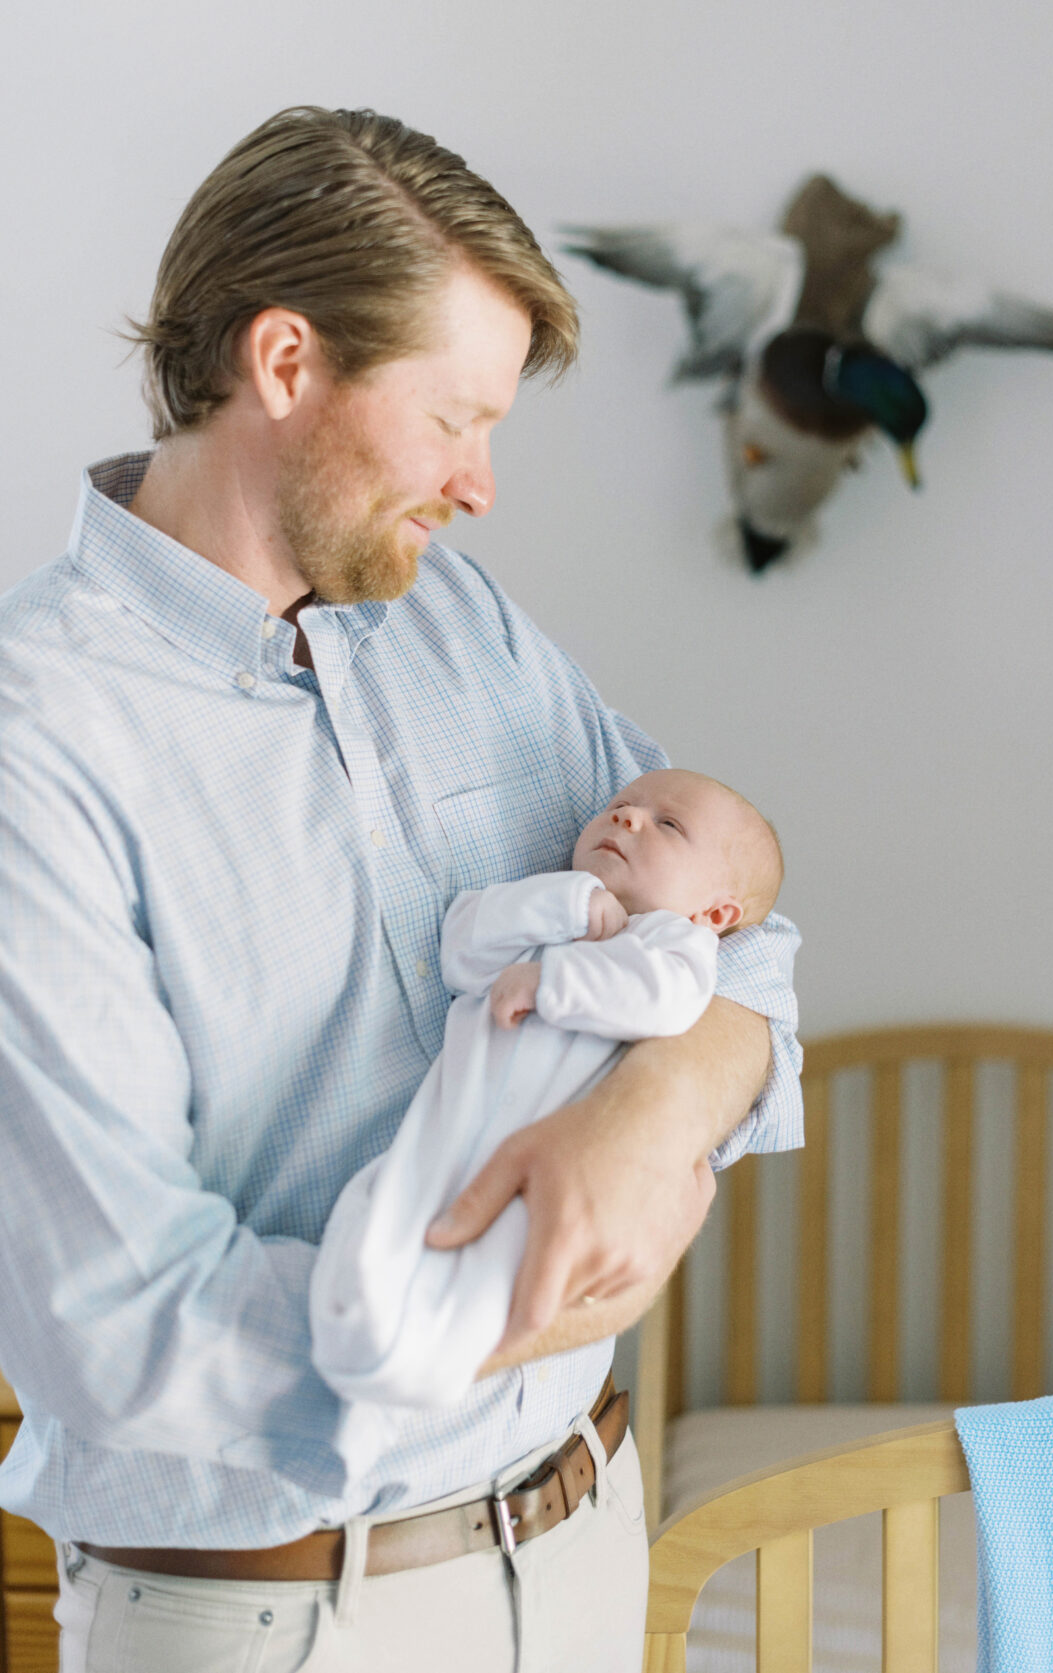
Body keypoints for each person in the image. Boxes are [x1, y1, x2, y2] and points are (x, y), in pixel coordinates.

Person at [0, 106, 802, 1672]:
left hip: (583, 1540)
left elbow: (733, 921)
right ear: (286, 363)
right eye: (455, 421)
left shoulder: (458, 625)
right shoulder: (41, 745)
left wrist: (663, 1104)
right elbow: (116, 1321)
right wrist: (512, 1314)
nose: (480, 485)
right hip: (280, 1616)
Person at [311, 769, 784, 1429]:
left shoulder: (674, 945)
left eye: (667, 825)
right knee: (382, 1211)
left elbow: (663, 997)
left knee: (502, 1263)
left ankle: (408, 1358)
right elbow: (462, 947)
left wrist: (552, 978)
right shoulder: (547, 907)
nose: (628, 819)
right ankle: (341, 1310)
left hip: (546, 1157)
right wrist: (565, 905)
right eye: (620, 806)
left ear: (715, 912)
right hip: (447, 1127)